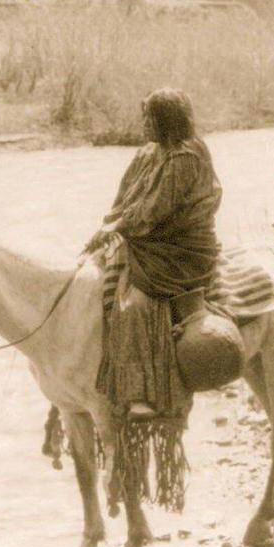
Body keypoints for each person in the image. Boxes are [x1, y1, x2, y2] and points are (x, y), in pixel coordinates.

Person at [86, 88, 223, 422]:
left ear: (167, 120)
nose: (144, 124)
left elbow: (155, 209)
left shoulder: (185, 156)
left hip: (180, 247)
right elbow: (127, 196)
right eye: (144, 117)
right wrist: (110, 222)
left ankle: (143, 394)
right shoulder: (150, 152)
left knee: (133, 305)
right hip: (150, 236)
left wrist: (119, 226)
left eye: (150, 118)